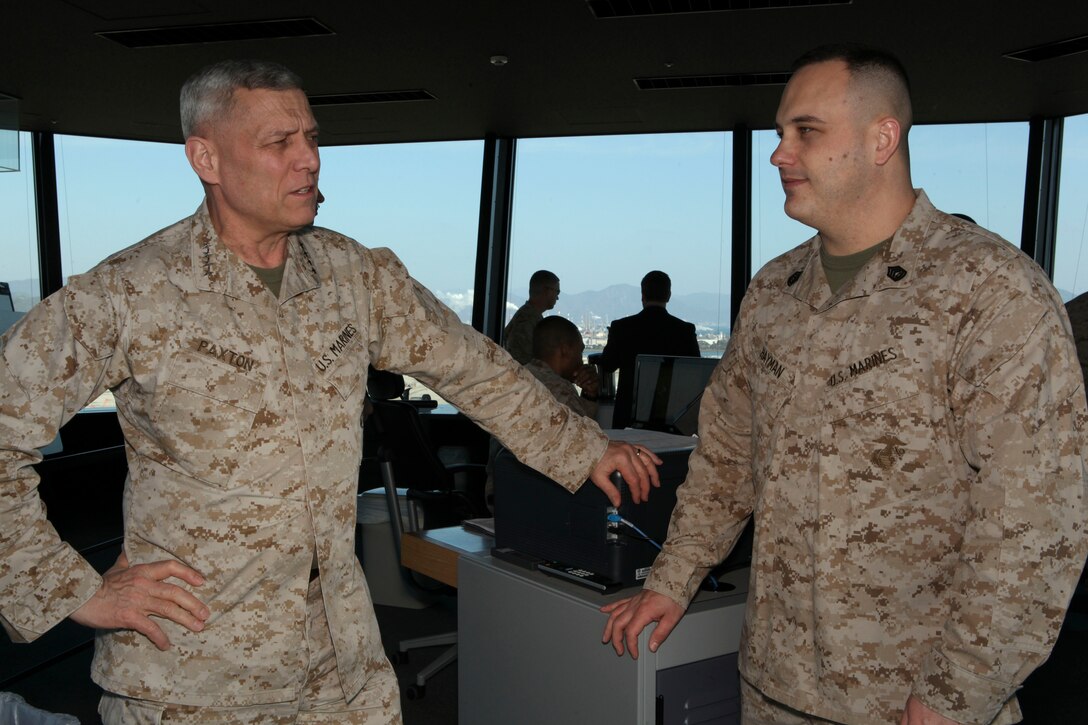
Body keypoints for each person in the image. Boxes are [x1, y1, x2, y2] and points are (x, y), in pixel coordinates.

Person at [0, 59, 662, 723]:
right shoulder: (131, 292)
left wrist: (584, 449)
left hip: (339, 664)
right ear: (206, 157)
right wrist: (72, 590)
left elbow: (472, 366)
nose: (309, 160)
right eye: (279, 143)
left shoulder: (353, 275)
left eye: (312, 137)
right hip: (193, 673)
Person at [601, 44, 1088, 725]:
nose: (779, 153)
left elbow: (1032, 522)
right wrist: (673, 578)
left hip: (912, 703)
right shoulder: (773, 291)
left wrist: (958, 692)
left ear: (882, 137)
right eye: (779, 133)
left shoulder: (991, 293)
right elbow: (727, 460)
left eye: (806, 131)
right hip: (773, 686)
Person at [596, 270, 700, 429]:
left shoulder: (622, 327)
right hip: (670, 417)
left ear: (642, 294)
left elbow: (608, 364)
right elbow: (694, 372)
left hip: (628, 417)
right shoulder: (684, 330)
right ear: (669, 295)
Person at [524, 316, 600, 419]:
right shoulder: (561, 389)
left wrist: (589, 395)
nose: (581, 361)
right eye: (580, 352)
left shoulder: (521, 376)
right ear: (566, 350)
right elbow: (581, 432)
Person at [503, 269, 560, 364]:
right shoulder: (527, 321)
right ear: (547, 291)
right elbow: (524, 364)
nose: (557, 297)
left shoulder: (527, 316)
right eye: (557, 292)